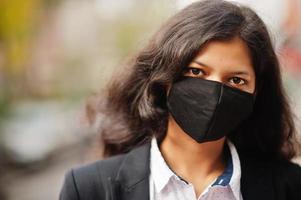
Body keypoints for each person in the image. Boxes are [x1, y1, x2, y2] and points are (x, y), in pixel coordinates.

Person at [59, 0, 301, 199]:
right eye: (197, 71)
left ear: (256, 93)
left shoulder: (290, 186)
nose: (215, 92)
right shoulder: (88, 188)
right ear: (165, 78)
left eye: (236, 80)